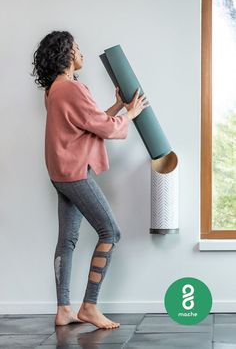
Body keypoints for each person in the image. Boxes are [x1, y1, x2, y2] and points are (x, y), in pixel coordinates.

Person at [32, 30, 150, 329]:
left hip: (60, 173)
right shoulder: (72, 89)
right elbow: (105, 128)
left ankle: (63, 310)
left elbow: (88, 123)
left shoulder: (55, 90)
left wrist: (119, 108)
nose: (82, 52)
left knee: (67, 240)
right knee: (111, 232)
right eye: (77, 47)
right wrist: (132, 114)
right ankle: (89, 306)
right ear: (67, 54)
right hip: (74, 173)